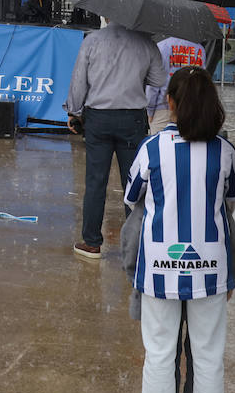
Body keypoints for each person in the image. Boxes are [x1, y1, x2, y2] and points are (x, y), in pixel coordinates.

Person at [123, 67, 235, 393]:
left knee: (159, 349)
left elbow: (130, 199)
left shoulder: (152, 149)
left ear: (170, 103)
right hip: (210, 267)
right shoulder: (225, 152)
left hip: (159, 267)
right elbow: (232, 201)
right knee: (208, 351)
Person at [64, 19, 167, 259]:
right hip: (132, 120)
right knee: (134, 182)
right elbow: (159, 80)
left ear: (106, 16)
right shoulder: (146, 42)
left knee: (95, 182)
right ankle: (135, 244)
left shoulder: (92, 41)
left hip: (98, 119)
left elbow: (79, 81)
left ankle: (91, 243)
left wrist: (74, 112)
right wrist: (136, 76)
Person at [145, 36, 209, 134]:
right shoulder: (199, 49)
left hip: (163, 108)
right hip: (191, 108)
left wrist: (150, 109)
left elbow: (154, 83)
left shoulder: (161, 47)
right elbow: (202, 80)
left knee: (160, 146)